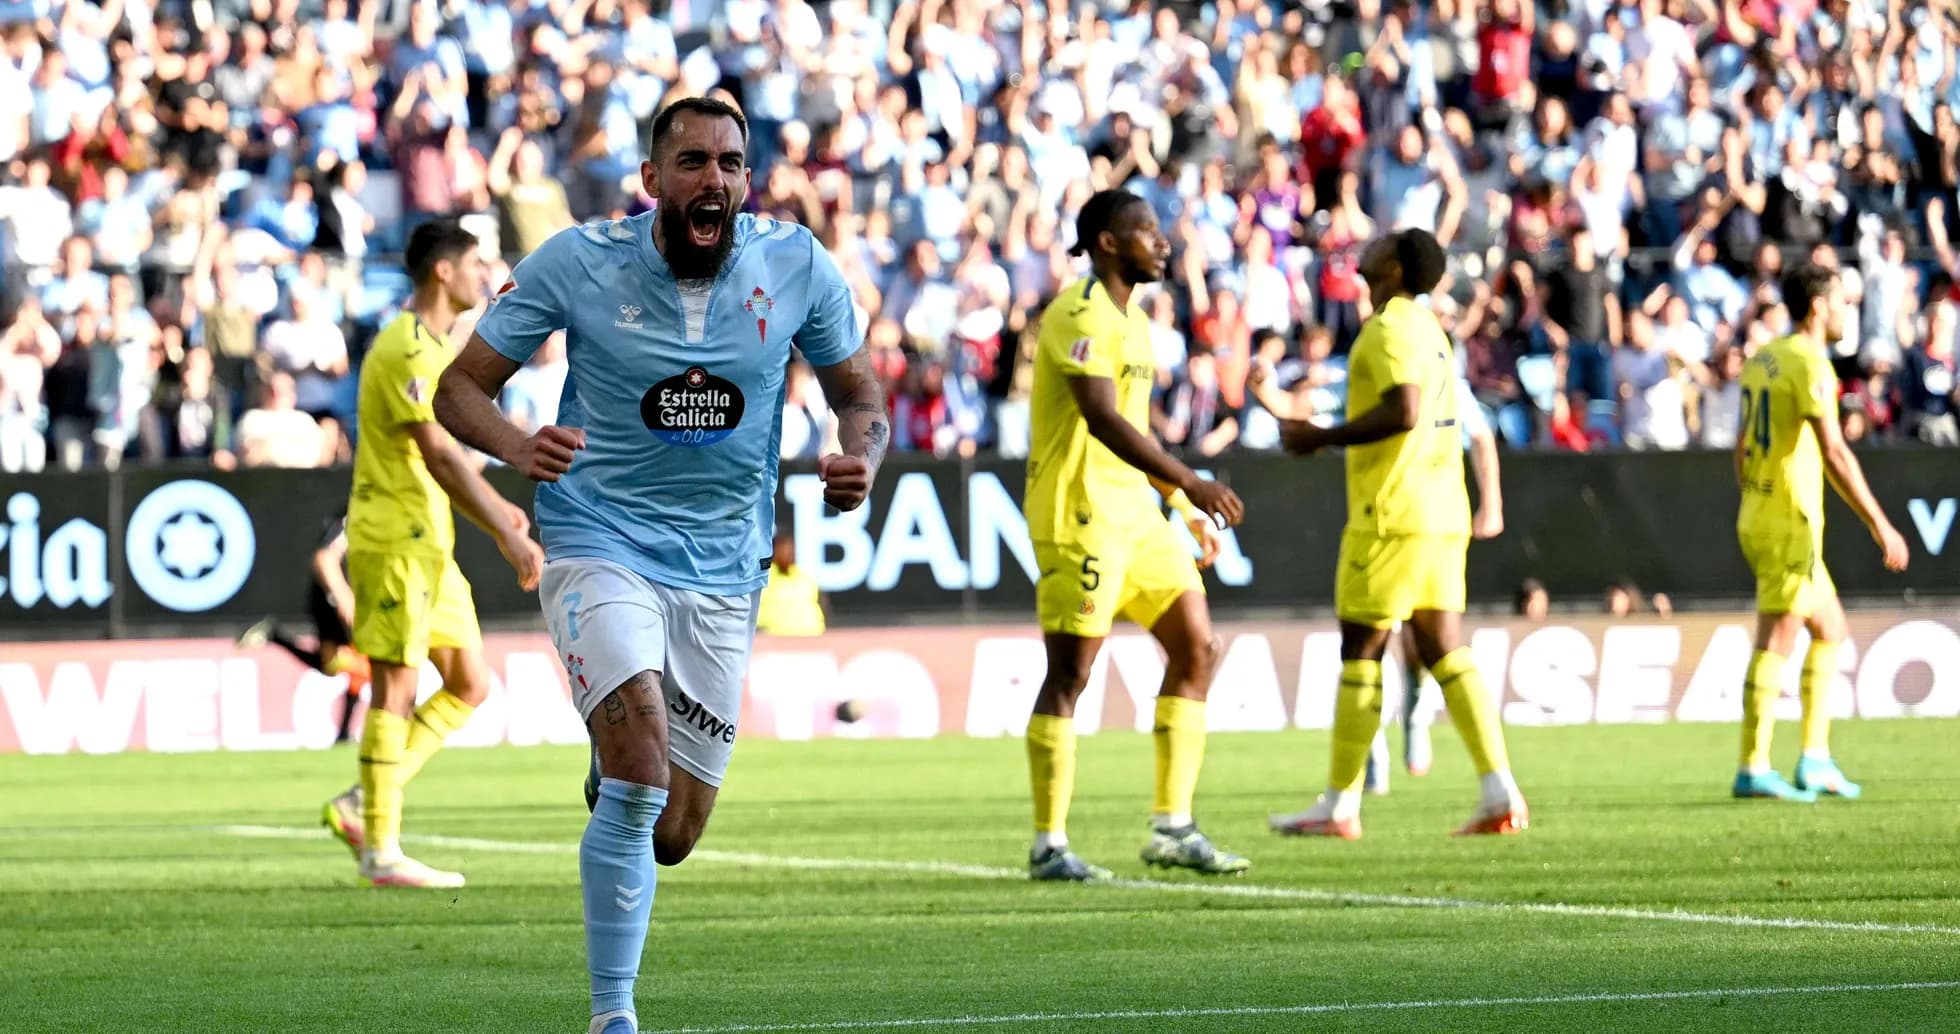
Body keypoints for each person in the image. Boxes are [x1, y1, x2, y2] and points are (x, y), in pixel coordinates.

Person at [431, 97, 887, 1034]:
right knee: (641, 766)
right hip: (598, 537)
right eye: (691, 162)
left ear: (747, 179)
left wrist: (863, 458)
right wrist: (518, 447)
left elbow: (860, 395)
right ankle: (613, 1014)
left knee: (672, 832)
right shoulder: (578, 260)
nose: (713, 178)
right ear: (651, 180)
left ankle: (614, 774)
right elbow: (458, 387)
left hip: (724, 563)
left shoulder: (796, 263)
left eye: (730, 163)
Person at [1021, 188, 1250, 883]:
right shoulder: (1078, 311)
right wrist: (1193, 481)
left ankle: (1172, 826)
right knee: (1072, 675)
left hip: (1139, 519)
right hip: (1080, 515)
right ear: (1108, 243)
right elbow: (1102, 419)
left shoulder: (1139, 323)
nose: (1163, 241)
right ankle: (1048, 844)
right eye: (1147, 231)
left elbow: (1138, 432)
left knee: (1198, 647)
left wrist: (1180, 505)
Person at [1270, 228, 1528, 840]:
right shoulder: (1431, 331)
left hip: (1391, 515)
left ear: (1393, 269)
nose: (1371, 245)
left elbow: (1403, 411)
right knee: (1443, 648)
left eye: (1383, 246)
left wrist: (1320, 437)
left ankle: (1339, 805)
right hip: (1442, 513)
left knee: (1362, 649)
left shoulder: (1388, 328)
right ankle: (1500, 790)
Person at [318, 219, 545, 889]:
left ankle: (362, 802)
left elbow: (444, 456)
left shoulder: (437, 347)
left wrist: (494, 507)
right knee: (396, 686)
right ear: (444, 271)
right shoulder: (407, 347)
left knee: (470, 682)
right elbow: (438, 452)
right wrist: (502, 529)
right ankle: (380, 849)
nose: (484, 275)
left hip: (429, 542)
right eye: (475, 264)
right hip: (394, 540)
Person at [1732, 264, 1910, 802]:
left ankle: (1814, 758)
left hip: (1764, 511)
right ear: (1817, 306)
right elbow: (1834, 449)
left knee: (1830, 628)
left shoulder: (1763, 359)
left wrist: (1755, 494)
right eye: (1841, 302)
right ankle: (1753, 766)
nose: (1845, 312)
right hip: (1790, 520)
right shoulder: (1811, 363)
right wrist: (1881, 524)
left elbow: (1740, 447)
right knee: (1778, 637)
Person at [236, 507, 370, 744]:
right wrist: (341, 595)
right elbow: (324, 557)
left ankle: (344, 733)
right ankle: (275, 635)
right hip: (331, 600)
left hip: (339, 597)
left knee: (351, 666)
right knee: (345, 664)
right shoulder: (349, 518)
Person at [755, 531, 827, 637]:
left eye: (790, 550)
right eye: (782, 549)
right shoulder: (762, 577)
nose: (787, 553)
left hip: (811, 636)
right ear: (773, 551)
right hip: (774, 638)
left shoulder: (804, 577)